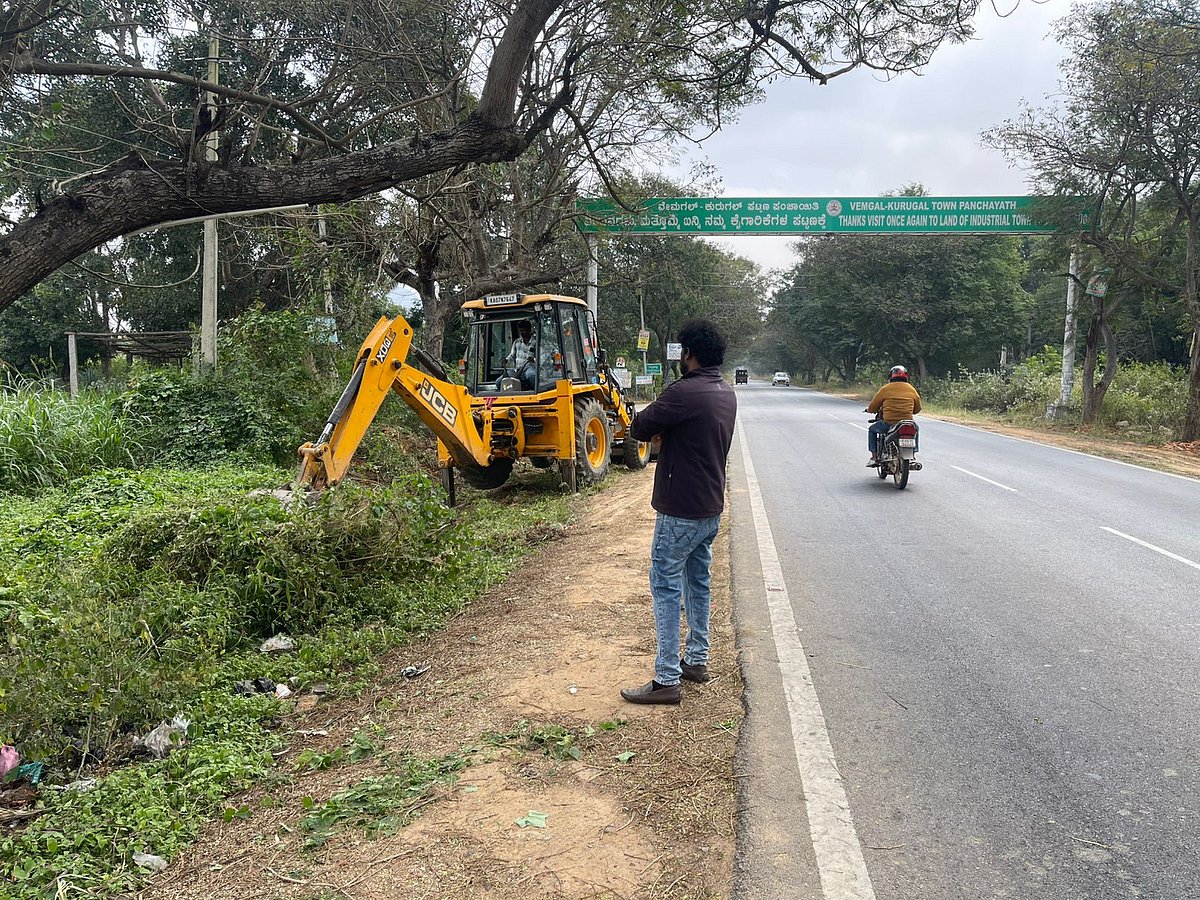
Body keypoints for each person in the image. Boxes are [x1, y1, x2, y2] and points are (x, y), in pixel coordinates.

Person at [620, 320, 738, 705]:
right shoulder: (725, 392)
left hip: (680, 511)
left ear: (687, 353)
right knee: (698, 583)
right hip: (709, 507)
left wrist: (661, 433)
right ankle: (696, 660)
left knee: (666, 588)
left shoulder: (684, 392)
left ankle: (667, 678)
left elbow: (639, 426)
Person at [865, 365, 922, 466]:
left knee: (872, 430)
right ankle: (913, 454)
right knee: (915, 429)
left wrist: (869, 410)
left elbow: (873, 407)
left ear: (891, 376)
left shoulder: (885, 389)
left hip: (888, 423)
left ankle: (874, 457)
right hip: (907, 423)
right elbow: (917, 409)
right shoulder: (912, 389)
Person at [499, 319, 536, 390]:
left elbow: (542, 358)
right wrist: (506, 360)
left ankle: (536, 392)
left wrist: (533, 360)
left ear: (529, 330)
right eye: (521, 330)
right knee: (499, 381)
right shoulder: (517, 342)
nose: (522, 333)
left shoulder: (535, 342)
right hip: (516, 370)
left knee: (531, 375)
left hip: (529, 369)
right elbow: (512, 356)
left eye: (524, 330)